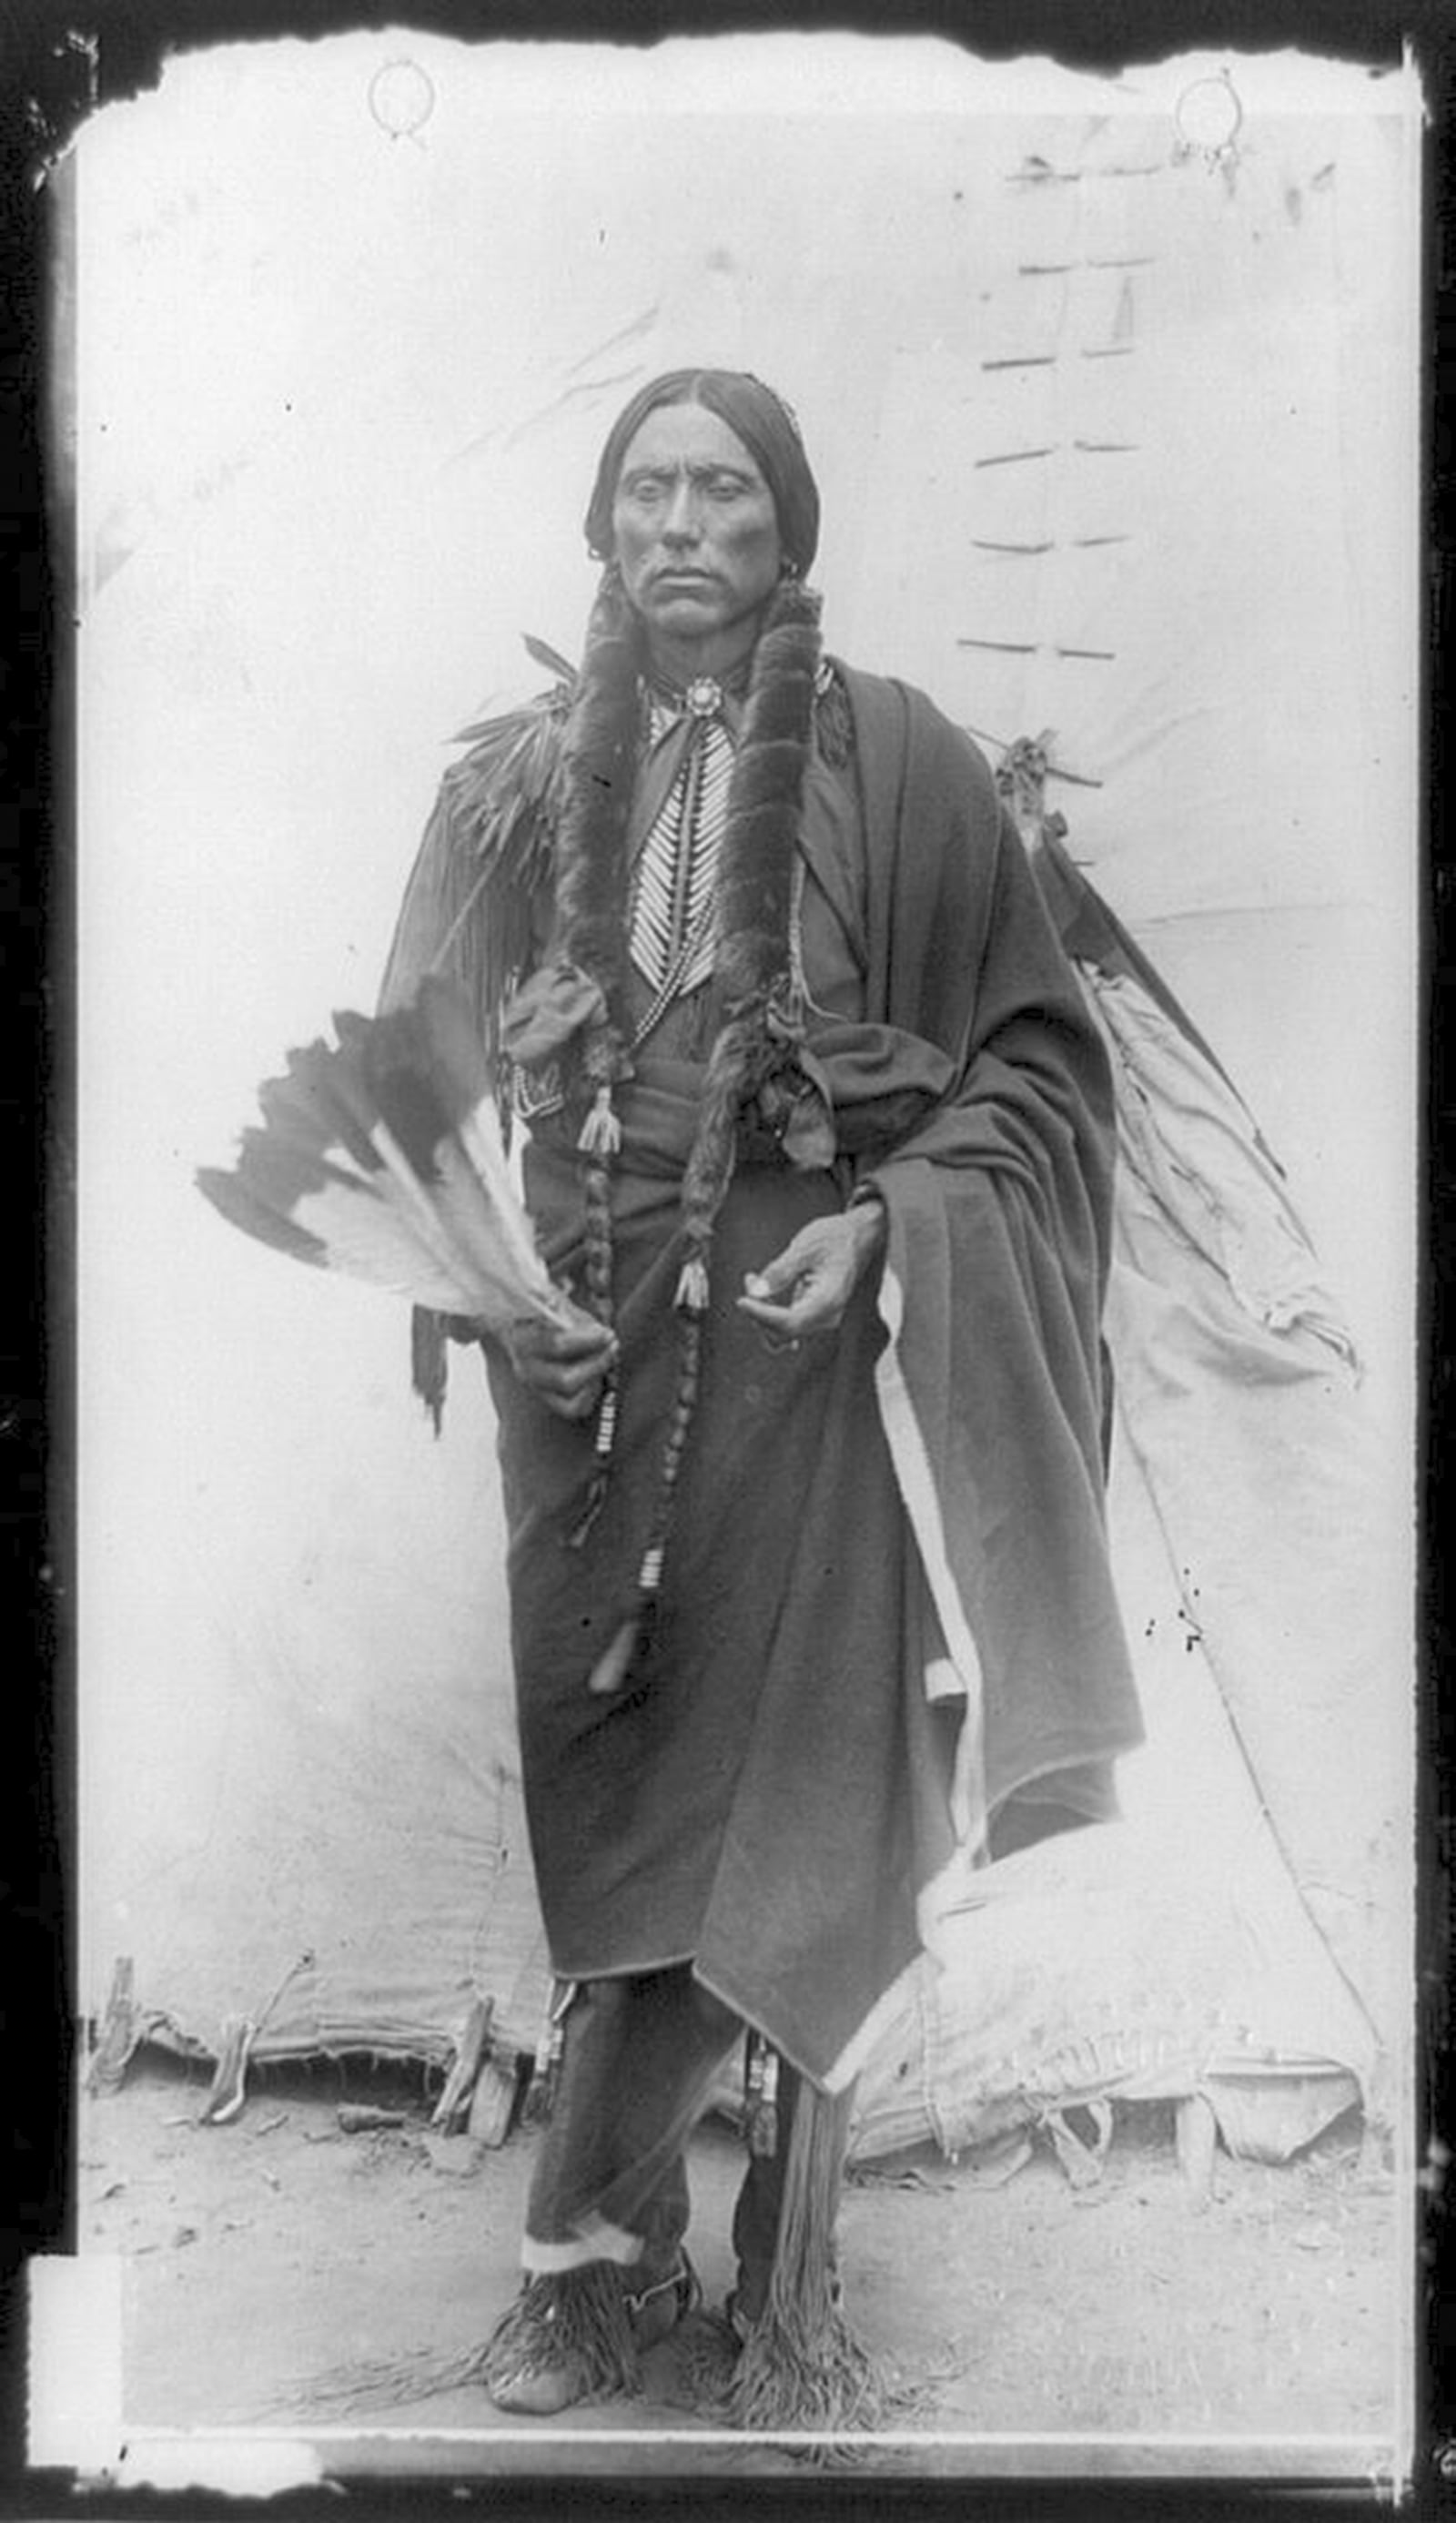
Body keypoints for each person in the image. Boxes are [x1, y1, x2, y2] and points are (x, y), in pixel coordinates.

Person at [378, 369, 1142, 2427]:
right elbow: (412, 1088)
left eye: (724, 490)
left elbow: (1034, 1062)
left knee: (794, 1786)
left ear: (783, 531)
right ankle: (601, 2283)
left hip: (808, 1328)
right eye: (647, 489)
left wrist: (888, 1223)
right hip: (583, 1349)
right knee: (622, 1786)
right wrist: (490, 1288)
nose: (683, 523)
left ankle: (766, 2290)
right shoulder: (510, 785)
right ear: (600, 529)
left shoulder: (901, 761)